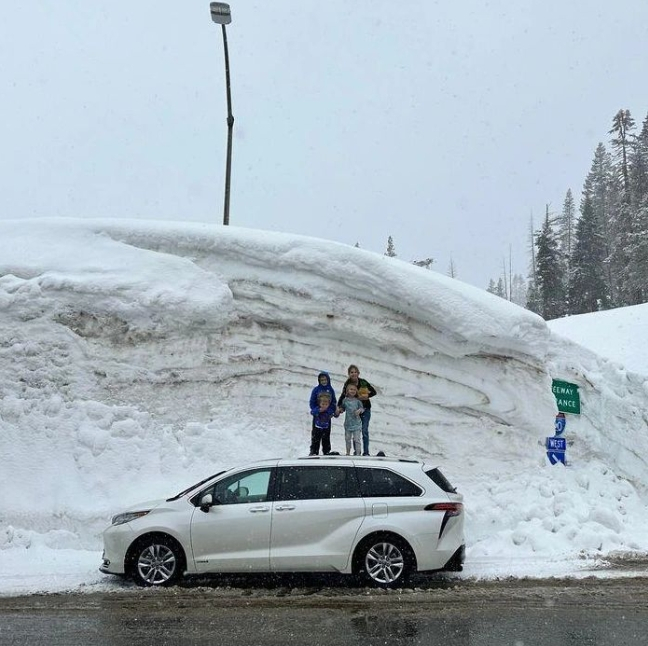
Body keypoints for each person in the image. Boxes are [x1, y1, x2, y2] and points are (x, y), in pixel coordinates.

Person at [337, 364, 377, 456]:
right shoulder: (347, 384)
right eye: (351, 372)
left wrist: (365, 396)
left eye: (355, 372)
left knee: (364, 430)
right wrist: (339, 406)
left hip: (365, 409)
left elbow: (374, 392)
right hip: (354, 411)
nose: (353, 374)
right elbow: (343, 395)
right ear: (349, 374)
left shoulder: (363, 382)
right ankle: (356, 452)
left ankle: (366, 452)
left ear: (358, 373)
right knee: (356, 431)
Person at [336, 383, 364, 455]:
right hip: (348, 423)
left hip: (357, 423)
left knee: (357, 439)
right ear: (347, 391)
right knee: (347, 439)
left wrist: (359, 410)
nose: (353, 391)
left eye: (354, 390)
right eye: (351, 389)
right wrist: (340, 410)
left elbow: (362, 408)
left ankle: (358, 453)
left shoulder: (358, 400)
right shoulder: (345, 400)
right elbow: (343, 408)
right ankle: (348, 452)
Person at [309, 391, 336, 456]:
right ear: (319, 403)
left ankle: (326, 451)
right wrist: (318, 410)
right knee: (316, 439)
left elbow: (332, 412)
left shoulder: (328, 410)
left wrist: (331, 413)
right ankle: (314, 451)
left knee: (326, 439)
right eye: (323, 404)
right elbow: (312, 412)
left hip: (326, 428)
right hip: (317, 427)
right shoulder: (318, 409)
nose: (324, 406)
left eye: (326, 404)